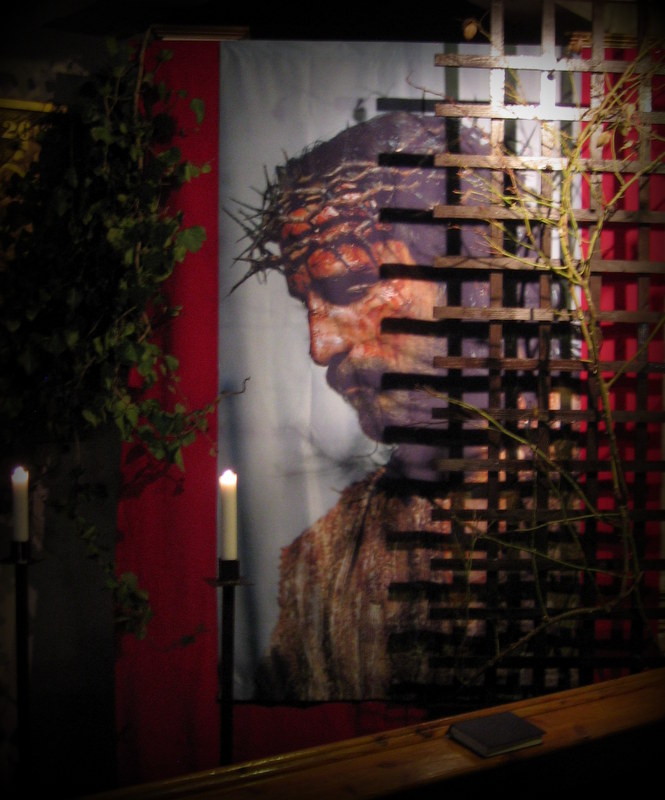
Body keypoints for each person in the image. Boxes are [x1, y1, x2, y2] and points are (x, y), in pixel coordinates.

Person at [232, 111, 563, 703]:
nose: (320, 347)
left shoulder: (596, 501)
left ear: (474, 279)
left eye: (349, 286)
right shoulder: (320, 567)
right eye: (306, 303)